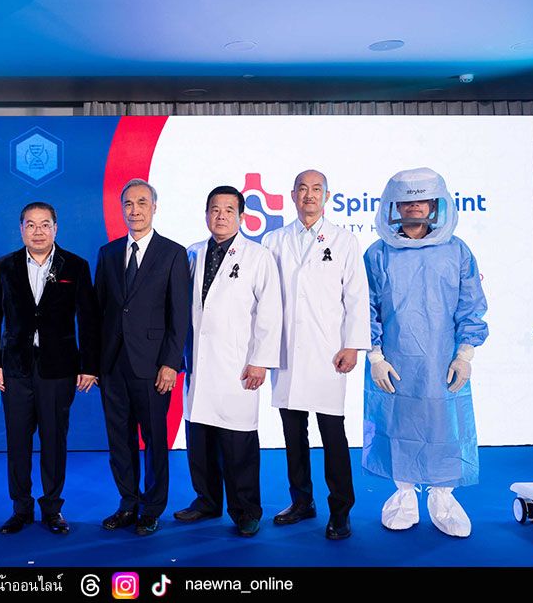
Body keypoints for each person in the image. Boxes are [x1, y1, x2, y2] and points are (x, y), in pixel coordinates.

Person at [363, 167, 488, 538]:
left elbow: (470, 304)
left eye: (421, 200)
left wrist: (465, 354)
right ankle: (404, 497)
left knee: (442, 424)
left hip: (442, 359)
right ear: (394, 206)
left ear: (434, 205)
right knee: (397, 423)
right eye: (407, 201)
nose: (414, 207)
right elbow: (366, 307)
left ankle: (443, 499)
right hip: (394, 359)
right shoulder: (378, 254)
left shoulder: (456, 251)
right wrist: (375, 356)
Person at [261, 170, 370, 540]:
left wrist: (352, 345)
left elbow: (356, 296)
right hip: (287, 351)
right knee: (293, 434)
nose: (309, 195)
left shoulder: (344, 241)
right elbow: (266, 298)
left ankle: (341, 510)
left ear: (327, 196)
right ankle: (301, 501)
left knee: (332, 434)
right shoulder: (274, 240)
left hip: (329, 352)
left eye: (316, 189)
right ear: (293, 195)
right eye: (303, 189)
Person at [0, 201, 100, 535]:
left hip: (59, 368)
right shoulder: (5, 266)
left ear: (55, 228)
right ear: (21, 229)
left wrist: (89, 365)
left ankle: (52, 508)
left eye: (45, 225)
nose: (38, 232)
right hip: (15, 368)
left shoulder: (75, 266)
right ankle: (20, 508)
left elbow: (89, 319)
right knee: (17, 441)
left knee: (54, 440)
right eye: (31, 225)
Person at [174, 185, 282, 537]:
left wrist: (261, 361)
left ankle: (246, 510)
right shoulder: (192, 253)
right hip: (198, 362)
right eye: (215, 210)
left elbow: (270, 313)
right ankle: (206, 501)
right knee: (200, 440)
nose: (220, 216)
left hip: (238, 364)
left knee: (238, 445)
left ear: (241, 217)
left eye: (228, 210)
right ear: (206, 214)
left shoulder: (257, 256)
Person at [95, 178, 191, 536]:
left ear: (154, 207)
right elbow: (99, 311)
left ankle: (152, 508)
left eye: (141, 203)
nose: (134, 210)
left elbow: (179, 315)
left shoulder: (173, 253)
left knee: (154, 440)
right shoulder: (108, 253)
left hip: (153, 366)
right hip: (113, 365)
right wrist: (95, 363)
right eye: (128, 204)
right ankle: (128, 503)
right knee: (118, 439)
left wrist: (170, 363)